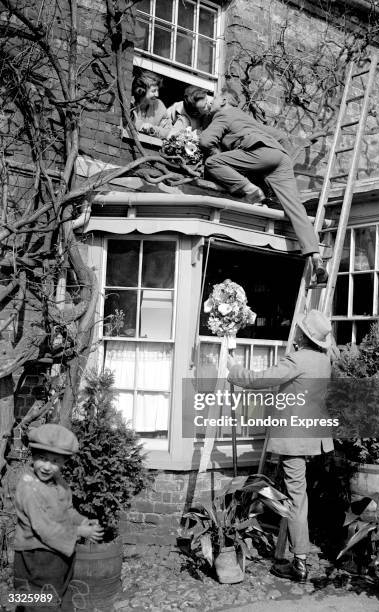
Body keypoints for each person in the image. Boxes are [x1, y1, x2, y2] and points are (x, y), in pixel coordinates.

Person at [227, 310, 334, 582]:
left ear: (303, 335)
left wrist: (233, 369)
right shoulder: (324, 361)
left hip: (294, 439)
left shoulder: (297, 360)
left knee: (296, 498)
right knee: (292, 493)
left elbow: (259, 380)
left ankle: (299, 562)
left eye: (298, 330)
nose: (295, 332)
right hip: (312, 438)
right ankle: (284, 545)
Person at [199, 87, 328, 285]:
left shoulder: (223, 114)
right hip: (280, 158)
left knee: (212, 163)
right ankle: (315, 255)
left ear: (224, 100)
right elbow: (282, 137)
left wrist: (220, 156)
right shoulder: (245, 118)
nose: (211, 102)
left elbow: (205, 140)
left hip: (260, 153)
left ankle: (250, 190)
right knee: (295, 208)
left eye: (214, 98)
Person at [14, 423, 103, 611]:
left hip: (58, 553)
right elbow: (44, 527)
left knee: (58, 595)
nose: (47, 466)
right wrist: (80, 531)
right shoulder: (29, 487)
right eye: (42, 458)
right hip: (37, 556)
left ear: (64, 462)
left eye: (55, 461)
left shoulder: (58, 482)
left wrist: (81, 521)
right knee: (39, 601)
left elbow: (67, 509)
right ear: (33, 456)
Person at [131, 70, 172, 138]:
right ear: (142, 91)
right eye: (153, 91)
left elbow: (168, 132)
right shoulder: (131, 103)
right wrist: (142, 126)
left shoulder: (159, 105)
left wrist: (152, 129)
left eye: (157, 90)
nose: (157, 94)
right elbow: (131, 123)